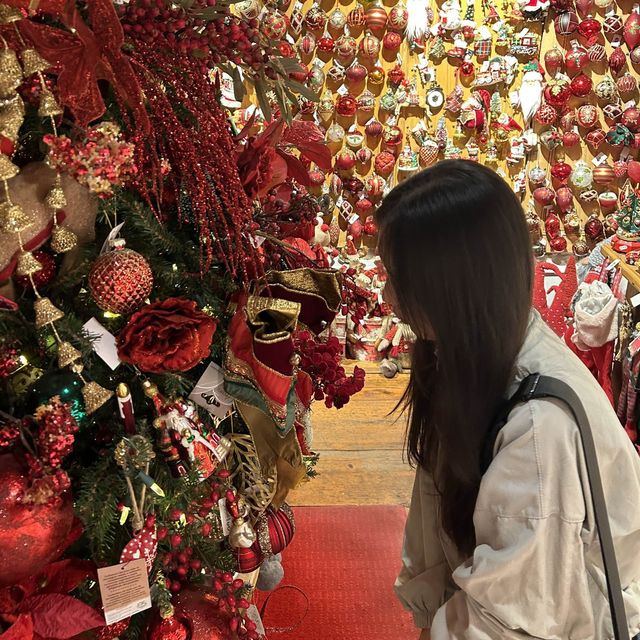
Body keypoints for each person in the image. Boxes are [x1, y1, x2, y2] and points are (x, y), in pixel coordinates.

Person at [375, 160, 640, 639]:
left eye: (398, 277)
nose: (387, 293)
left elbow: (509, 620)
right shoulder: (465, 357)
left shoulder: (538, 425)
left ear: (450, 287)